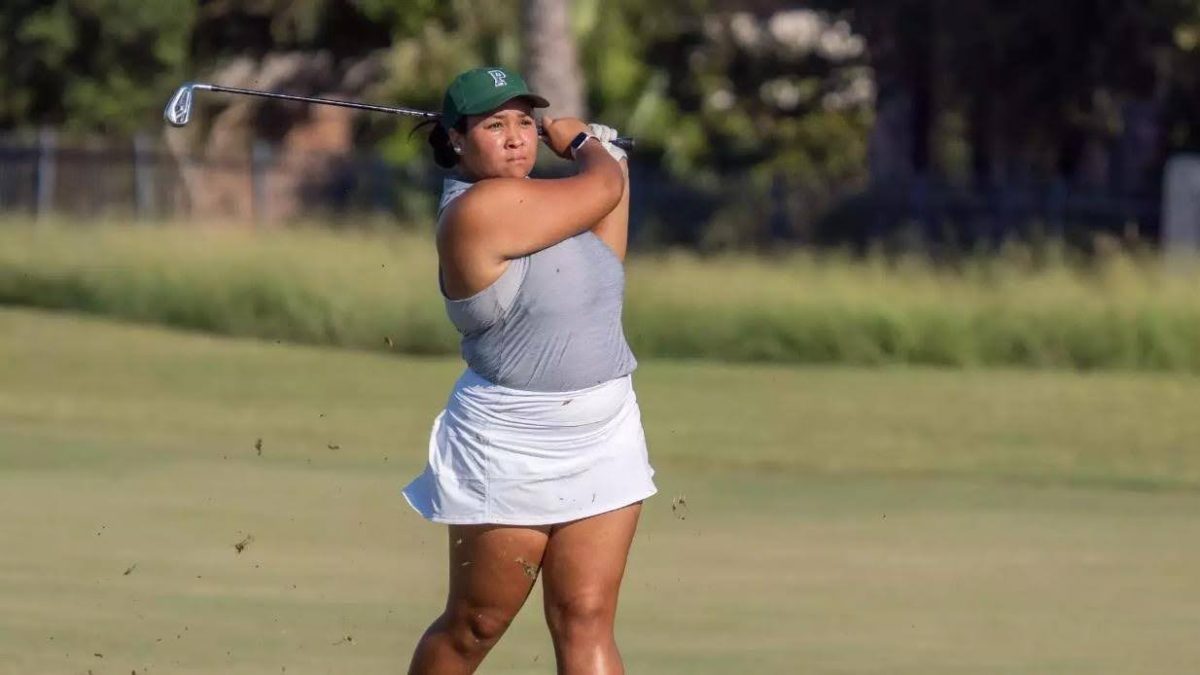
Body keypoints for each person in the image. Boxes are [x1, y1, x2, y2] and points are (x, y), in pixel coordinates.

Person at [401, 67, 657, 675]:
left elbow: (603, 258)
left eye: (523, 122)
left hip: (606, 429)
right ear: (455, 140)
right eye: (495, 125)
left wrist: (610, 154)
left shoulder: (542, 205)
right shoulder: (478, 211)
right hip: (512, 440)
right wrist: (584, 144)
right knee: (475, 625)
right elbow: (600, 191)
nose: (517, 138)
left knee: (586, 616)